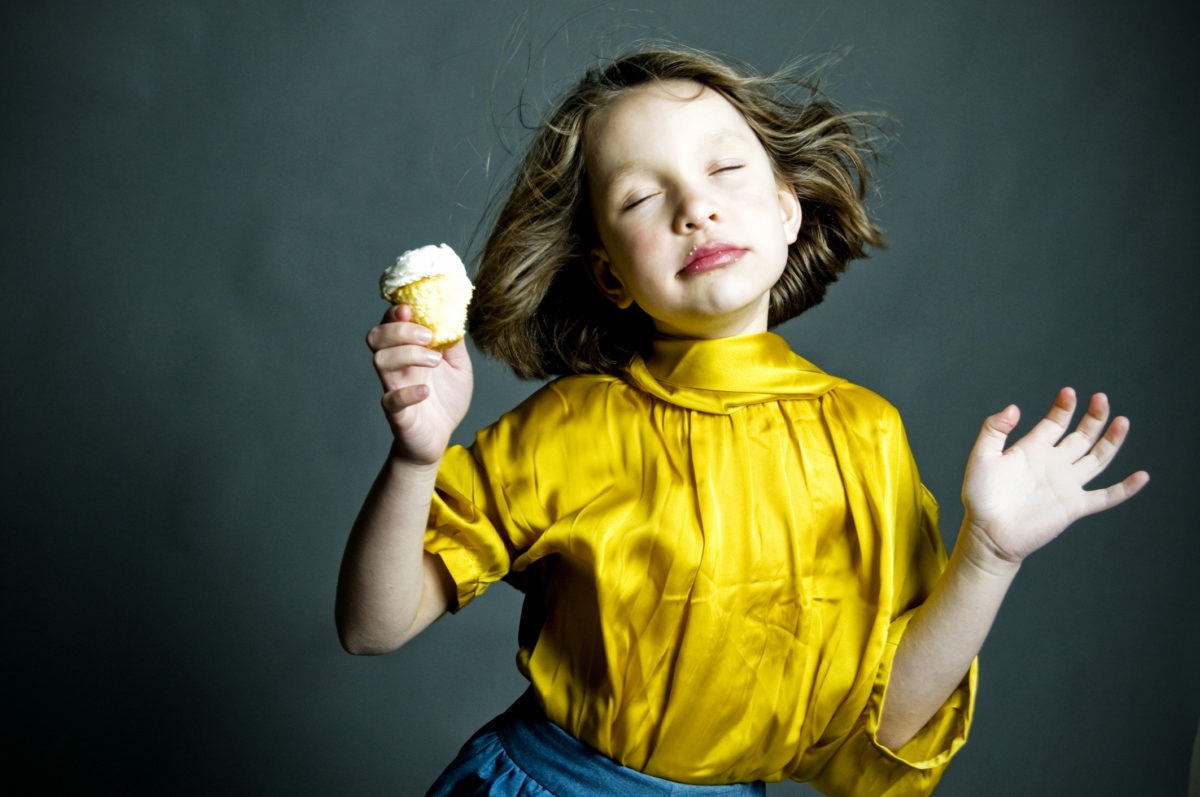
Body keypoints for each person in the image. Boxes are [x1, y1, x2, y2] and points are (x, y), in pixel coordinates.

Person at [335, 46, 1149, 796]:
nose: (697, 208)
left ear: (789, 209)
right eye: (644, 197)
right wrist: (417, 457)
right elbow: (372, 627)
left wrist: (989, 556)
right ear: (608, 273)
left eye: (726, 168)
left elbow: (886, 724)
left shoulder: (866, 437)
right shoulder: (568, 425)